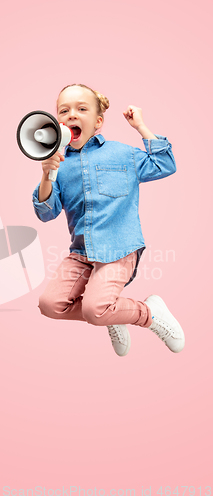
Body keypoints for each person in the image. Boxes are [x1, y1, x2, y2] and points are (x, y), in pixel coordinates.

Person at [32, 83, 184, 356]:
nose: (72, 115)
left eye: (81, 109)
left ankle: (149, 313)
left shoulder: (122, 154)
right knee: (49, 304)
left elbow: (165, 164)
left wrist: (140, 127)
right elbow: (46, 212)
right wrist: (46, 173)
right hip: (81, 254)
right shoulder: (58, 163)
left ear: (98, 121)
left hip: (119, 249)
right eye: (64, 110)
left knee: (93, 309)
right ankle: (113, 313)